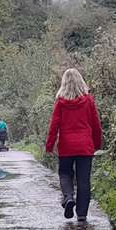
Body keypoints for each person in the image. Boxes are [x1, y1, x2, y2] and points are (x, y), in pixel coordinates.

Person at [44, 68, 103, 221]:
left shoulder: (61, 102)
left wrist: (50, 145)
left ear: (64, 83)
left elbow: (54, 125)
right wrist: (97, 143)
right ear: (80, 81)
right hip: (85, 145)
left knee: (65, 174)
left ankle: (69, 197)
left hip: (66, 146)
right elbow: (95, 123)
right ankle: (82, 214)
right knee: (84, 179)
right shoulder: (88, 100)